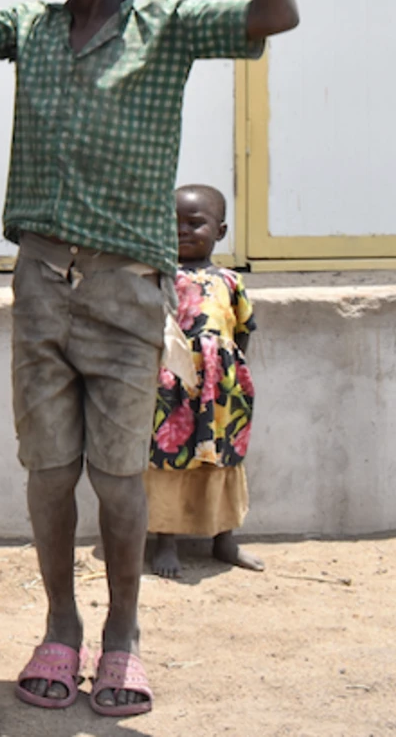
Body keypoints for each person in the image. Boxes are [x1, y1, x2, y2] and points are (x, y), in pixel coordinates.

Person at [0, 0, 299, 717]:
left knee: (119, 476)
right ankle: (61, 625)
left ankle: (123, 633)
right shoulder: (32, 28)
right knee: (50, 470)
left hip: (129, 289)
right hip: (41, 284)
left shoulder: (164, 27)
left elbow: (276, 14)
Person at [146, 184, 263, 579]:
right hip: (171, 385)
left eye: (195, 223)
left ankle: (224, 539)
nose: (182, 231)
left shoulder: (230, 281)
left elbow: (244, 328)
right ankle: (165, 540)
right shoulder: (158, 278)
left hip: (223, 389)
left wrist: (226, 367)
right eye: (173, 223)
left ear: (221, 231)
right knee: (168, 458)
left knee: (223, 457)